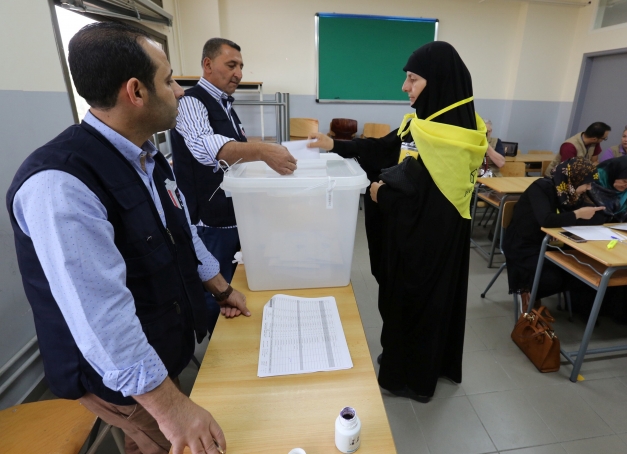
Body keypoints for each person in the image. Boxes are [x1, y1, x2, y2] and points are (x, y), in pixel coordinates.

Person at [6, 22, 251, 454]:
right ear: (136, 92)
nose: (179, 91)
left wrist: (222, 288)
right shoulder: (62, 183)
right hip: (115, 373)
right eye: (169, 80)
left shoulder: (148, 156)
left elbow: (182, 232)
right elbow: (101, 317)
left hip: (153, 349)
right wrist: (172, 409)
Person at [309, 42, 487, 402]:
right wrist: (334, 144)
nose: (405, 87)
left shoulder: (457, 141)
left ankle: (413, 379)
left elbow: (437, 210)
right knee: (399, 306)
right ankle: (402, 361)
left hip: (429, 250)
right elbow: (381, 148)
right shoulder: (420, 126)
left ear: (437, 82)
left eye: (413, 79)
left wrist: (381, 197)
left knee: (420, 308)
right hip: (408, 241)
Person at [171, 38, 296, 334]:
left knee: (233, 290)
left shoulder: (225, 106)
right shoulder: (191, 102)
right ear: (207, 64)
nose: (238, 73)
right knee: (215, 292)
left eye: (240, 66)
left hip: (233, 216)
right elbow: (203, 146)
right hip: (210, 223)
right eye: (231, 65)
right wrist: (262, 151)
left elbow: (237, 160)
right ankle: (215, 355)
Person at [503, 158, 606, 310]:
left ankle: (582, 309)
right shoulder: (541, 187)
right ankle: (528, 291)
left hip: (554, 242)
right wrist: (577, 214)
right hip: (524, 244)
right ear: (574, 178)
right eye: (586, 183)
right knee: (553, 277)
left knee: (582, 271)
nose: (589, 188)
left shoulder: (571, 192)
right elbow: (546, 220)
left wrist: (591, 212)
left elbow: (596, 215)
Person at [590, 154, 627, 222]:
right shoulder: (592, 183)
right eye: (626, 181)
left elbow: (623, 218)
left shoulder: (626, 189)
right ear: (614, 174)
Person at [545, 122, 611, 176]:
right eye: (604, 138)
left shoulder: (595, 143)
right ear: (594, 139)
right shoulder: (569, 146)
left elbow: (594, 161)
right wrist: (589, 167)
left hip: (579, 175)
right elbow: (569, 170)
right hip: (557, 177)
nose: (603, 140)